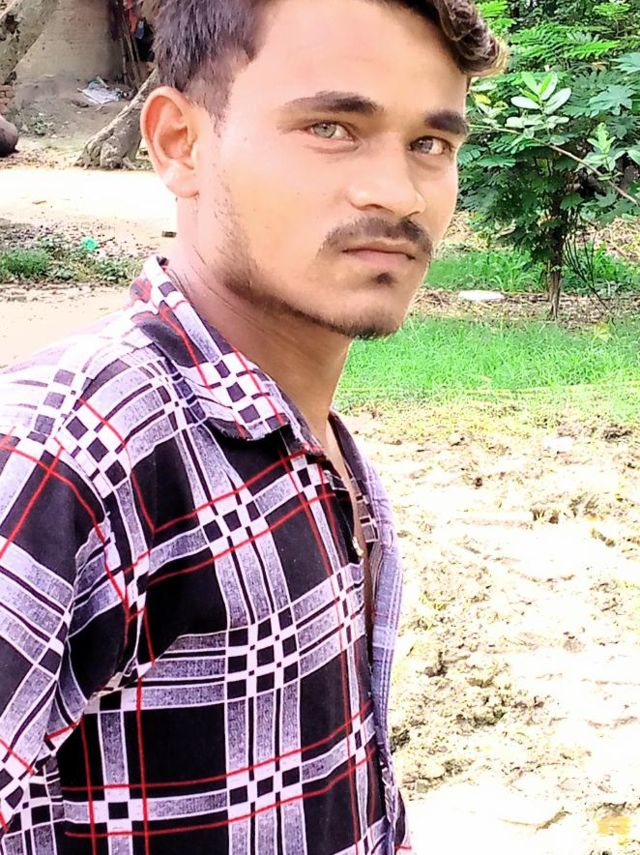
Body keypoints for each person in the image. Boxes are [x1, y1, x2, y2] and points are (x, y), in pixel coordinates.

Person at [0, 0, 503, 852]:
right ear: (180, 143)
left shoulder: (303, 437)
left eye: (430, 143)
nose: (399, 192)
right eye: (331, 128)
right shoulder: (71, 454)